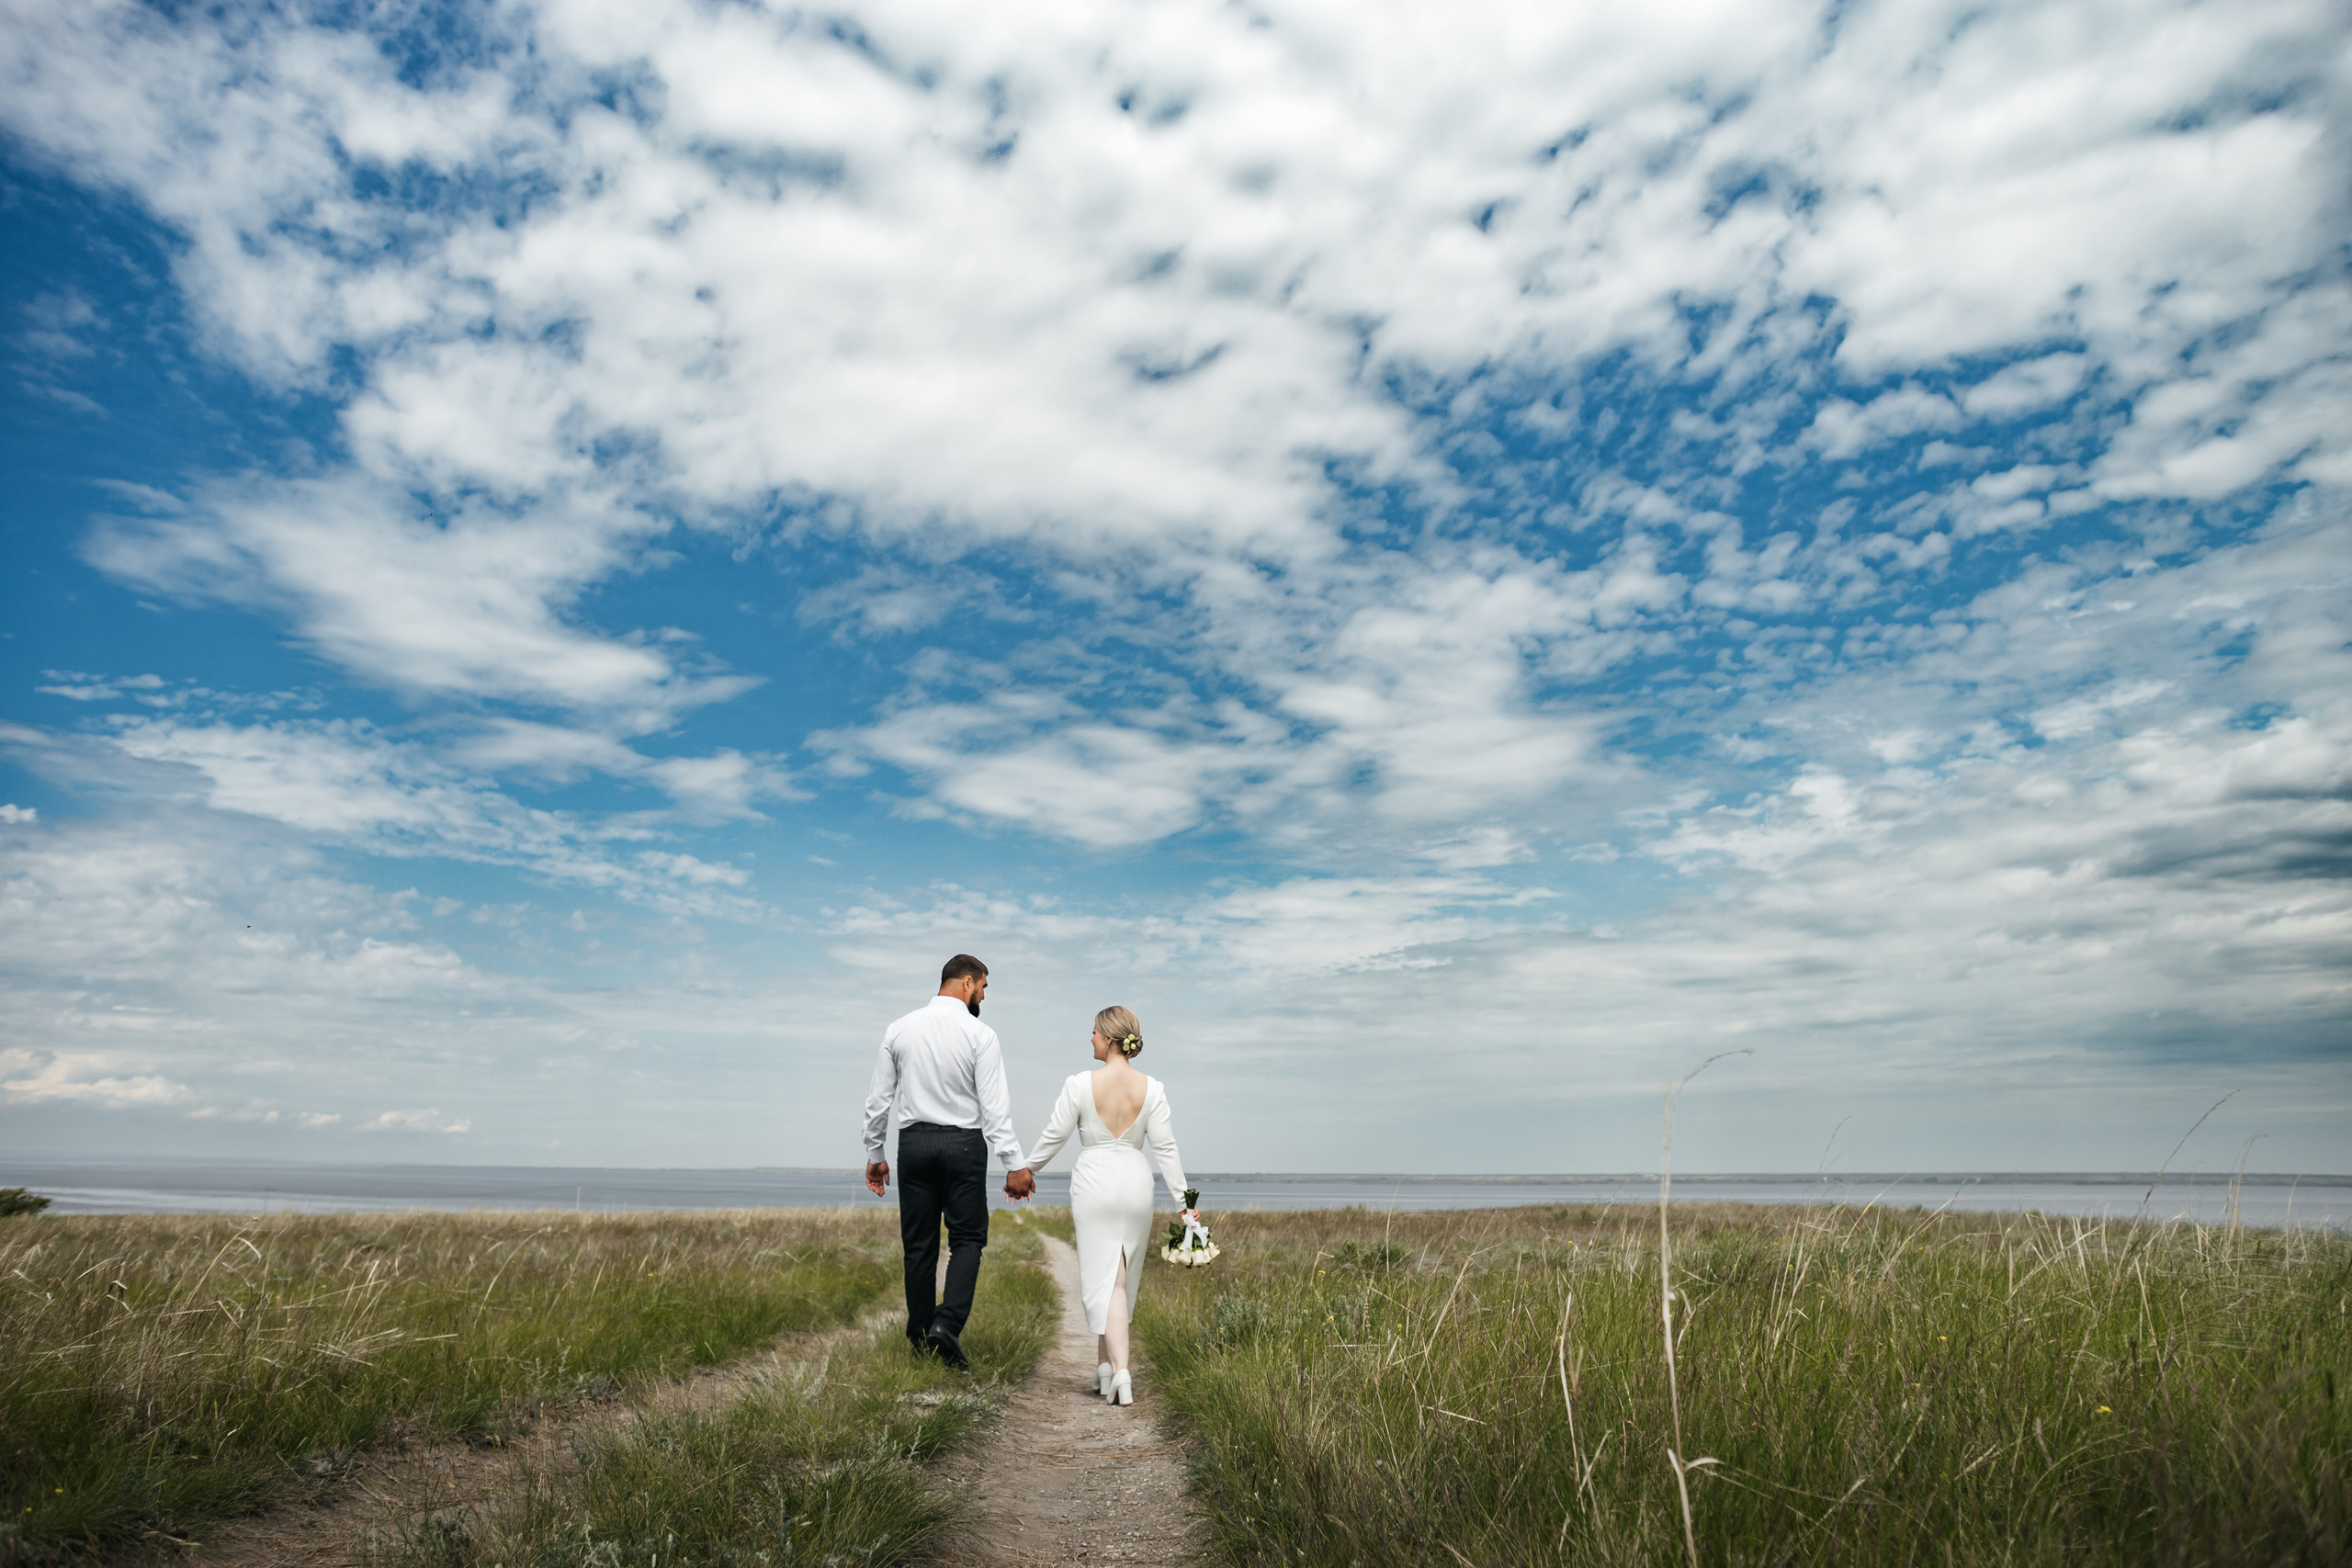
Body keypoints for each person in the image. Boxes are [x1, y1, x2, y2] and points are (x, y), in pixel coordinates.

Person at [862, 953, 1036, 1369]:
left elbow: (878, 1102)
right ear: (966, 982)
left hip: (914, 1145)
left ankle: (921, 1340)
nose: (982, 996)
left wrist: (875, 1155)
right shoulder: (981, 1034)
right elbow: (995, 1109)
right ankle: (947, 1324)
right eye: (983, 988)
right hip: (963, 1146)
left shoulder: (899, 1029)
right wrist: (1014, 1163)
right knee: (968, 1239)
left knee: (918, 1246)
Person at [1022, 1004, 1192, 1406]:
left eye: (1095, 1032)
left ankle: (1121, 1373)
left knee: (1106, 1279)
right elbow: (1166, 1149)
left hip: (1095, 1184)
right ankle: (1103, 1368)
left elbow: (1054, 1134)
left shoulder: (1080, 1084)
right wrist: (1185, 1205)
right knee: (1118, 1276)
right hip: (1135, 1183)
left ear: (1111, 1039)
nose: (1091, 1037)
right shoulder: (1153, 1088)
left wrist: (1026, 1169)